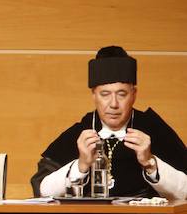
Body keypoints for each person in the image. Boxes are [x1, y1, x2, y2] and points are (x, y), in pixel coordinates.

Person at [31, 46, 187, 199]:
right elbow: (41, 190)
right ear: (94, 96)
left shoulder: (153, 128)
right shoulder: (81, 131)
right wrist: (81, 165)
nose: (113, 104)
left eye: (122, 94)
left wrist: (150, 163)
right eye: (105, 94)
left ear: (134, 95)